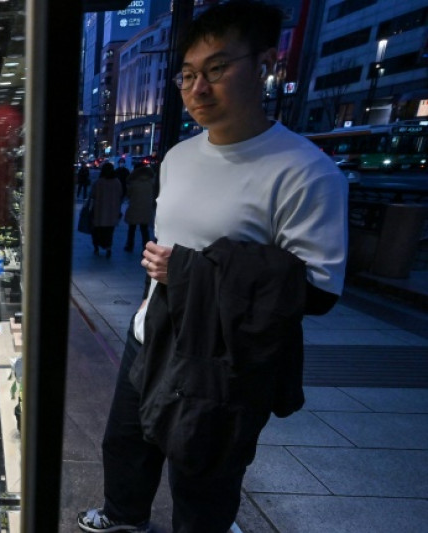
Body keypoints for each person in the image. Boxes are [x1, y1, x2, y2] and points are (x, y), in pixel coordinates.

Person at [78, 2, 347, 532]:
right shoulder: (178, 157)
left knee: (204, 468)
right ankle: (124, 515)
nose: (198, 88)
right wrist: (170, 277)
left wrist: (187, 270)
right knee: (127, 437)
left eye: (217, 69)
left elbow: (317, 291)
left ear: (265, 64)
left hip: (225, 354)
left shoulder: (305, 171)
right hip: (151, 331)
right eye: (187, 74)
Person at [89, 162, 123, 258]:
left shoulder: (99, 182)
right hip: (112, 211)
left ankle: (96, 247)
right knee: (109, 232)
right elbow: (120, 194)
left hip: (99, 210)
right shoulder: (117, 182)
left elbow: (92, 195)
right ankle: (108, 248)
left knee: (97, 231)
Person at [122, 164, 155, 252]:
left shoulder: (133, 182)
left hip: (134, 207)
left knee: (131, 228)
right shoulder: (150, 182)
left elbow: (129, 194)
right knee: (144, 229)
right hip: (146, 208)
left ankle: (130, 245)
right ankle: (146, 247)